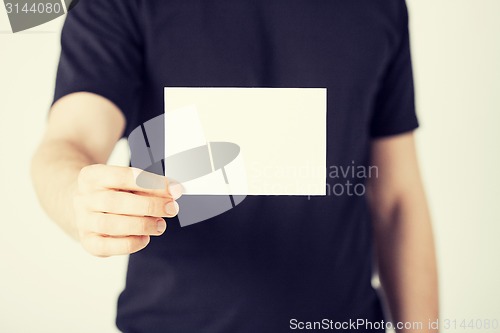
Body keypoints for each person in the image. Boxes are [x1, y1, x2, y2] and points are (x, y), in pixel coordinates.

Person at [31, 0, 438, 332]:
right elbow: (71, 141)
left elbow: (396, 198)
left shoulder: (380, 7)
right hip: (173, 323)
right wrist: (77, 197)